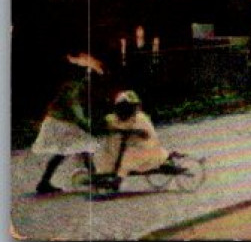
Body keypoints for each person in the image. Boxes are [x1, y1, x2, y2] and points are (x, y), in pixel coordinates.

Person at [31, 56, 102, 195]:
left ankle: (44, 181)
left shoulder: (72, 85)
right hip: (60, 123)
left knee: (65, 152)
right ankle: (94, 178)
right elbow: (74, 108)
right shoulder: (73, 87)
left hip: (59, 121)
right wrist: (86, 124)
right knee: (83, 146)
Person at [94, 91, 172, 192]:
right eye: (127, 106)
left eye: (132, 106)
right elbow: (105, 125)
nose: (132, 109)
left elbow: (145, 134)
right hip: (126, 149)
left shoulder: (140, 119)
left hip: (147, 151)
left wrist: (133, 132)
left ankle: (118, 180)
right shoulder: (114, 118)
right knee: (108, 152)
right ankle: (102, 174)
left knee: (129, 155)